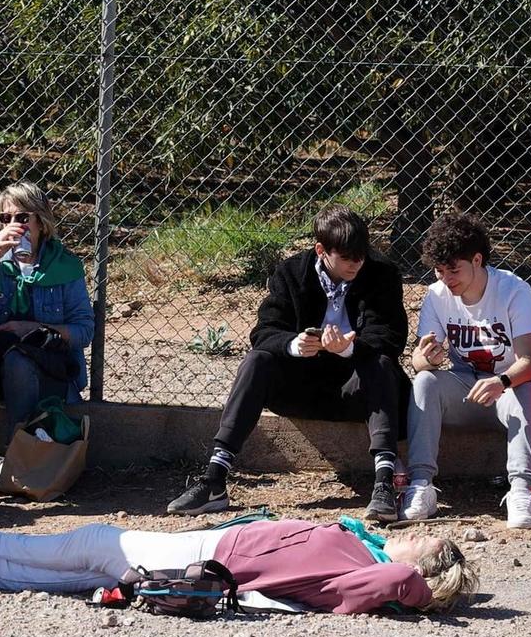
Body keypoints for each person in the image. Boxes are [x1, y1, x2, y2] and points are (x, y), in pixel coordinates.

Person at [166, 206, 408, 521]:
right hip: (301, 388)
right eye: (348, 258)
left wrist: (350, 349)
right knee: (258, 361)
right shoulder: (291, 272)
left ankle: (384, 482)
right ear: (322, 250)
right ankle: (214, 478)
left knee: (382, 365)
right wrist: (292, 345)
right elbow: (264, 331)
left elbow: (391, 336)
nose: (357, 264)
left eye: (362, 255)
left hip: (356, 389)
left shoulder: (381, 273)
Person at [0, 497, 476, 615]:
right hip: (215, 546)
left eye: (423, 542)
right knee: (95, 566)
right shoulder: (363, 546)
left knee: (98, 544)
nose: (408, 535)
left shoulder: (368, 572)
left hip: (215, 556)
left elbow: (400, 578)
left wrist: (429, 590)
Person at [402, 212, 531, 530]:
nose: (446, 278)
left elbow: (530, 362)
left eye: (453, 270)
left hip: (512, 388)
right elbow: (418, 362)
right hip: (468, 389)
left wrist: (501, 381)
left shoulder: (514, 290)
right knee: (425, 382)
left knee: (526, 388)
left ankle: (522, 491)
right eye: (439, 271)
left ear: (477, 259)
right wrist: (428, 358)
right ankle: (421, 486)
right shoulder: (437, 295)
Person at [0, 182, 95, 493]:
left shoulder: (65, 266)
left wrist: (34, 330)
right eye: (5, 218)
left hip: (44, 364)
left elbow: (84, 330)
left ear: (40, 221)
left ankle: (15, 456)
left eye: (22, 217)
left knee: (17, 359)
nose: (14, 225)